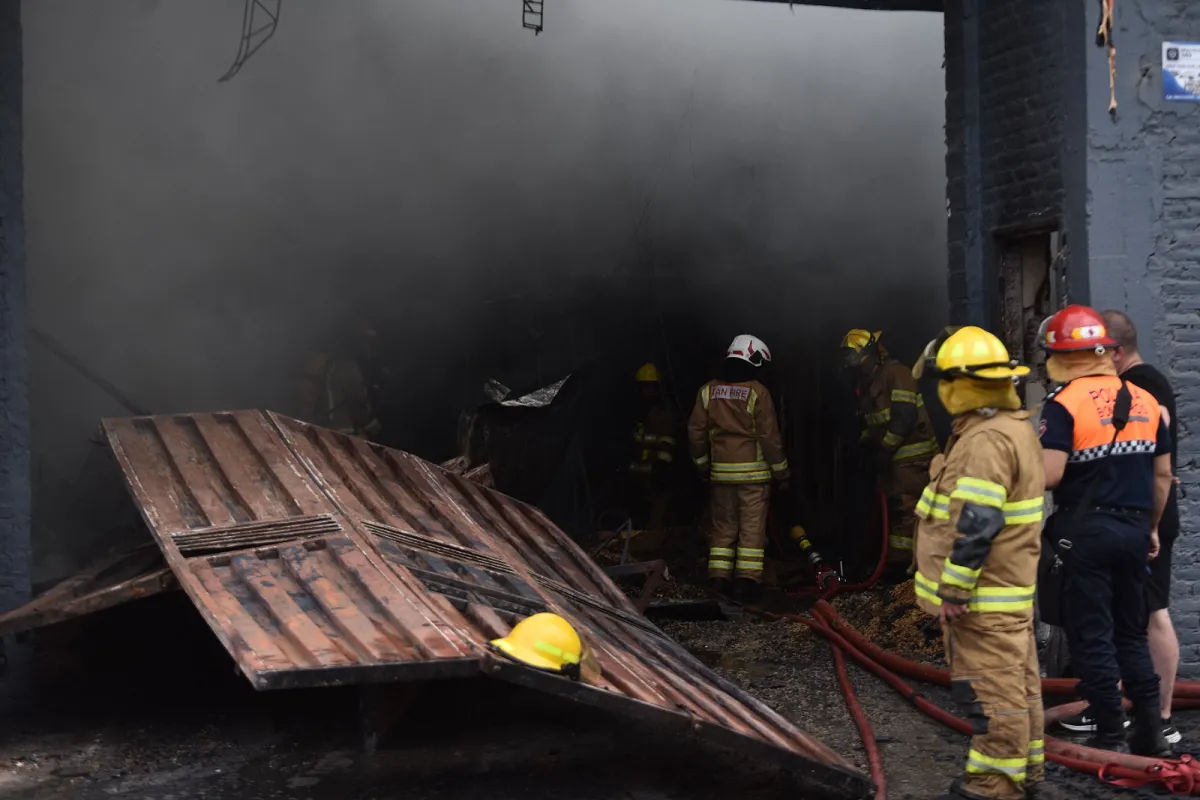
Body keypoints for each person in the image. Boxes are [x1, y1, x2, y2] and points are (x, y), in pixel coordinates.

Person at [910, 326, 1047, 800]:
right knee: (1018, 685)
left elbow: (977, 524)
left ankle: (993, 786)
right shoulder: (1011, 428)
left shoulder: (986, 440)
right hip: (1003, 593)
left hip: (982, 601)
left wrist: (953, 590)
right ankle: (1023, 774)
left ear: (957, 383)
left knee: (992, 693)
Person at [1037, 304, 1173, 756]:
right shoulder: (1146, 401)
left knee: (1092, 634)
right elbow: (1161, 477)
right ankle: (1151, 733)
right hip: (1135, 531)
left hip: (1087, 532)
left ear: (1059, 356)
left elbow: (1050, 474)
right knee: (1131, 633)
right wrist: (1150, 528)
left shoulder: (1062, 404)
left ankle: (1111, 734)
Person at [687, 334, 789, 604]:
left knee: (723, 528)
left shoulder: (708, 391)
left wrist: (702, 466)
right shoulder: (758, 392)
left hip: (720, 474)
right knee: (751, 528)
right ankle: (746, 584)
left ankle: (718, 580)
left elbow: (695, 433)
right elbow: (770, 437)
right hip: (754, 477)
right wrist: (782, 472)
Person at [840, 328, 940, 580]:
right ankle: (900, 565)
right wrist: (865, 447)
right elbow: (870, 422)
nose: (850, 365)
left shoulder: (897, 374)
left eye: (853, 357)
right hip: (895, 459)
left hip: (913, 457)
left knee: (907, 509)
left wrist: (884, 448)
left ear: (870, 353)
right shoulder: (869, 383)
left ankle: (903, 568)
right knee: (898, 510)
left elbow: (904, 417)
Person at [300, 319, 384, 438]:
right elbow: (360, 404)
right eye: (368, 342)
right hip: (344, 436)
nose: (371, 348)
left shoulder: (314, 363)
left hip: (314, 433)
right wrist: (375, 427)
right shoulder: (348, 368)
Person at [627, 362, 677, 535]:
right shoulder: (636, 413)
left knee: (656, 521)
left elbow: (667, 441)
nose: (647, 392)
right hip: (637, 477)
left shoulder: (662, 412)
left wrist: (662, 468)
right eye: (644, 388)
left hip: (656, 476)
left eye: (651, 388)